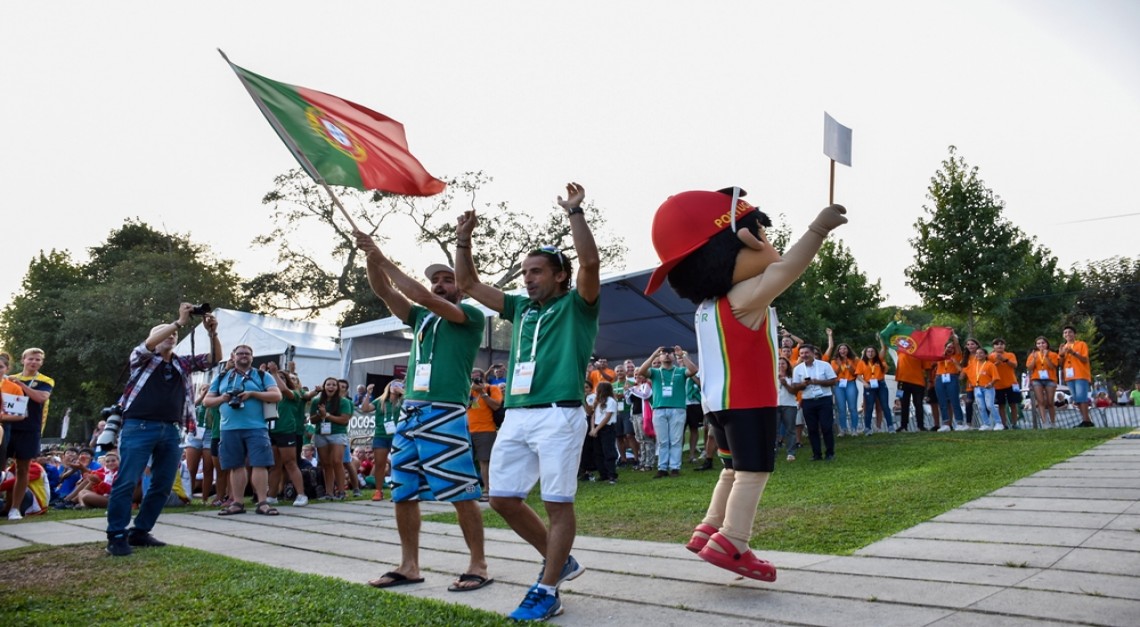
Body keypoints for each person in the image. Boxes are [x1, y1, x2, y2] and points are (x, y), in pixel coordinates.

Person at [645, 186, 847, 583]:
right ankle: (733, 540)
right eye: (762, 235)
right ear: (748, 238)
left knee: (731, 470)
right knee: (753, 471)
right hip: (748, 400)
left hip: (715, 404)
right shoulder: (744, 298)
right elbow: (786, 269)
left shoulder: (707, 309)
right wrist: (818, 229)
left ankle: (709, 527)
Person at [454, 182, 600, 621]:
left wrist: (575, 213)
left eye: (536, 271)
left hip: (559, 415)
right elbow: (467, 283)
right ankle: (561, 560)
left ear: (558, 275)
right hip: (515, 416)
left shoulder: (578, 305)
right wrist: (464, 237)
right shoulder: (521, 309)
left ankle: (548, 587)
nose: (527, 278)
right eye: (524, 272)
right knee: (501, 498)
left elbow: (590, 262)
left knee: (558, 504)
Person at [354, 231, 491, 595]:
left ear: (461, 288)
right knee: (403, 491)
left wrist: (383, 258)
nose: (441, 285)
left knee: (462, 490)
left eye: (449, 280)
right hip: (411, 413)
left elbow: (420, 295)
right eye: (437, 279)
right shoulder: (421, 321)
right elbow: (385, 291)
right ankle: (409, 565)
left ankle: (478, 563)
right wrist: (370, 256)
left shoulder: (471, 316)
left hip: (445, 413)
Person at [105, 305, 221, 555]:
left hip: (171, 430)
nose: (170, 336)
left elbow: (214, 359)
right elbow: (147, 344)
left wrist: (212, 334)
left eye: (174, 335)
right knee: (126, 481)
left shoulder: (182, 363)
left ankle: (140, 531)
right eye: (164, 333)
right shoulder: (141, 358)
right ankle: (116, 535)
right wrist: (178, 322)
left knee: (163, 484)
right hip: (139, 426)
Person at [204, 344, 282, 516]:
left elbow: (277, 395)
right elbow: (207, 401)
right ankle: (237, 503)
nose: (243, 356)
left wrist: (253, 394)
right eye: (240, 353)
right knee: (235, 465)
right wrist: (223, 398)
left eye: (247, 353)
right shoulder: (222, 376)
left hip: (257, 427)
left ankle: (263, 502)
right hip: (229, 428)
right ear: (233, 357)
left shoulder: (262, 375)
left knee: (260, 464)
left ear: (252, 357)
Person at [3, 348, 54, 521]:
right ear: (23, 359)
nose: (34, 362)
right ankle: (5, 504)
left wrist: (22, 386)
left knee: (22, 468)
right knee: (1, 468)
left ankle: (15, 509)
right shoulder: (9, 378)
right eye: (31, 359)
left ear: (41, 362)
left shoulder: (45, 380)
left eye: (38, 360)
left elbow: (41, 398)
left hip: (30, 429)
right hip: (7, 426)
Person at [636, 346, 698, 478]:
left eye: (670, 353)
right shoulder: (655, 372)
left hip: (678, 409)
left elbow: (694, 370)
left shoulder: (680, 371)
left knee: (676, 440)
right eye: (663, 353)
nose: (667, 355)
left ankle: (675, 467)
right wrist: (653, 355)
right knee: (662, 441)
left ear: (673, 356)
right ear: (659, 357)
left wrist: (682, 356)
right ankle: (662, 468)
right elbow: (641, 371)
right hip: (659, 410)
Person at [266, 364, 308, 507]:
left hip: (286, 432)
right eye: (273, 378)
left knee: (290, 463)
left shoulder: (293, 394)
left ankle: (301, 494)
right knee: (274, 465)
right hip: (271, 432)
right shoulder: (268, 396)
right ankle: (272, 495)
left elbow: (283, 389)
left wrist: (274, 373)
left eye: (282, 378)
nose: (277, 380)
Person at [308, 377, 353, 500]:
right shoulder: (316, 401)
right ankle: (329, 493)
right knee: (326, 464)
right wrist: (319, 415)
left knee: (337, 462)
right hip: (321, 434)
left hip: (338, 434)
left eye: (334, 385)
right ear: (324, 387)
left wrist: (327, 415)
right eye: (328, 384)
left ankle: (342, 492)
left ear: (337, 388)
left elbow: (344, 420)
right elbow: (312, 420)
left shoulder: (343, 402)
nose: (331, 387)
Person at [792, 344, 839, 461]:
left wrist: (818, 382)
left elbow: (833, 381)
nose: (804, 355)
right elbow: (794, 386)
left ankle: (830, 453)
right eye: (801, 353)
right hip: (808, 401)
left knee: (826, 427)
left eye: (806, 353)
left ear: (813, 353)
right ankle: (816, 454)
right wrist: (803, 384)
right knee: (812, 429)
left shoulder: (824, 365)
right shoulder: (798, 369)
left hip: (824, 399)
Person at [360, 380, 402, 501]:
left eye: (400, 385)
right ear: (388, 387)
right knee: (379, 464)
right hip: (381, 435)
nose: (396, 387)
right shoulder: (380, 401)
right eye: (394, 385)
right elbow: (365, 409)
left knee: (398, 463)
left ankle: (398, 490)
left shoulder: (403, 401)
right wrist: (368, 394)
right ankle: (379, 491)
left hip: (398, 436)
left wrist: (403, 392)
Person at [466, 368, 502, 499]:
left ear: (483, 378)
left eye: (478, 378)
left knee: (484, 461)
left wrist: (482, 392)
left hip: (486, 430)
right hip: (467, 430)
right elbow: (465, 407)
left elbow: (496, 406)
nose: (475, 380)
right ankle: (470, 491)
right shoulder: (468, 391)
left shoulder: (492, 388)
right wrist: (471, 392)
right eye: (473, 378)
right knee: (467, 462)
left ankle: (488, 491)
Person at [1060, 325, 1095, 428]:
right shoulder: (1063, 347)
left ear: (1074, 334)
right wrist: (1061, 354)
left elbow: (1085, 359)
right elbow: (1061, 364)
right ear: (1063, 335)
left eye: (1070, 332)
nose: (1068, 334)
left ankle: (1086, 421)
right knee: (1076, 399)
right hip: (1069, 376)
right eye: (1065, 332)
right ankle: (1086, 420)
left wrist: (1073, 353)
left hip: (1081, 374)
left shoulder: (1081, 344)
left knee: (1081, 397)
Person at [586, 381, 619, 484]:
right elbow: (593, 416)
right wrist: (592, 428)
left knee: (608, 451)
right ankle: (603, 474)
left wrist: (597, 429)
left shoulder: (611, 401)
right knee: (598, 452)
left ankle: (611, 474)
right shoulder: (597, 402)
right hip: (596, 427)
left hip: (607, 428)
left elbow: (607, 417)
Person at [855, 344, 892, 434]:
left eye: (872, 351)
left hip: (881, 384)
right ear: (865, 353)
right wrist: (864, 383)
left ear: (876, 353)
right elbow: (858, 375)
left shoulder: (880, 361)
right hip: (869, 385)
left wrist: (882, 341)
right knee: (869, 407)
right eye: (868, 351)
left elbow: (884, 350)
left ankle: (890, 427)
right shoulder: (862, 362)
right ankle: (868, 428)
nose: (870, 353)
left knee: (885, 406)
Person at [933, 333, 966, 431]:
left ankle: (959, 423)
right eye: (948, 347)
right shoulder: (940, 356)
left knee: (954, 400)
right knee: (942, 402)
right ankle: (946, 424)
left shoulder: (957, 356)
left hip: (952, 378)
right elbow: (938, 346)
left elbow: (956, 344)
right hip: (940, 378)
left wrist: (952, 335)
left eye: (952, 347)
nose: (950, 348)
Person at [1026, 337, 1060, 428]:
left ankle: (1053, 422)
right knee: (1040, 401)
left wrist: (1046, 357)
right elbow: (1029, 368)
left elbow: (1053, 367)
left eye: (1043, 343)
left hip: (1050, 379)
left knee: (1050, 402)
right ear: (1036, 345)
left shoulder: (1053, 354)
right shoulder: (1033, 354)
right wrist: (1034, 359)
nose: (1041, 345)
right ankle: (1045, 423)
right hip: (1037, 379)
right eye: (1039, 343)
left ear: (1047, 344)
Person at [989, 338, 1022, 429]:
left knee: (1013, 404)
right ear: (994, 346)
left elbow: (1015, 365)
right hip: (998, 385)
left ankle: (1014, 424)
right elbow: (988, 369)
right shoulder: (990, 357)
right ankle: (1004, 424)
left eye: (1001, 344)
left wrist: (1005, 360)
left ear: (1005, 346)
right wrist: (996, 364)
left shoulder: (1010, 355)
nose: (999, 346)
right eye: (997, 344)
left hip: (1011, 383)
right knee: (1001, 405)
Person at [892, 347, 928, 432]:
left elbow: (927, 368)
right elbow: (893, 341)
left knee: (918, 404)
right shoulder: (901, 351)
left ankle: (921, 426)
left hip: (918, 383)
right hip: (902, 382)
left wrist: (929, 380)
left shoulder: (921, 352)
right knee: (903, 404)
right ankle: (903, 426)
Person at [829, 341, 859, 437]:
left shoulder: (854, 359)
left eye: (845, 348)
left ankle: (854, 429)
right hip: (838, 384)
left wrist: (848, 365)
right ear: (838, 351)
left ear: (848, 350)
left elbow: (855, 373)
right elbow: (834, 374)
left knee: (852, 407)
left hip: (850, 383)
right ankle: (843, 429)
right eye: (841, 349)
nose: (843, 350)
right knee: (841, 408)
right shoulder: (834, 361)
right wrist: (839, 365)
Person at [966, 347, 1000, 430]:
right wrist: (971, 383)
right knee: (981, 407)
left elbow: (996, 377)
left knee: (989, 406)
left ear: (985, 355)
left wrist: (991, 384)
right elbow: (968, 373)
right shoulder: (973, 365)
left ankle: (999, 423)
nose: (978, 355)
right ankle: (986, 424)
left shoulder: (990, 364)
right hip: (977, 388)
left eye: (981, 353)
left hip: (987, 388)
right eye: (977, 353)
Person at [775, 357, 799, 461]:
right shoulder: (771, 376)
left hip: (789, 405)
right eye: (779, 364)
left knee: (790, 429)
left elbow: (794, 392)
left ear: (787, 365)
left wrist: (785, 383)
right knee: (774, 430)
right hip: (775, 406)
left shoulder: (792, 377)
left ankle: (791, 452)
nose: (780, 366)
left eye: (783, 363)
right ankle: (773, 452)